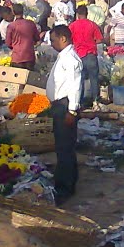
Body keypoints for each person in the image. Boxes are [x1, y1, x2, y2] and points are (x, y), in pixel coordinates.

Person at [46, 25, 82, 203]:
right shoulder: (64, 57)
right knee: (63, 146)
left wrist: (72, 110)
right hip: (60, 105)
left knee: (65, 147)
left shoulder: (71, 59)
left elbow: (75, 86)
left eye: (53, 40)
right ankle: (66, 181)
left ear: (63, 39)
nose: (51, 43)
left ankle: (65, 187)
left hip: (66, 106)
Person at [70, 5, 104, 109]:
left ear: (77, 14)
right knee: (94, 79)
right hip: (91, 55)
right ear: (87, 13)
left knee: (79, 80)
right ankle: (95, 102)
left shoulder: (72, 26)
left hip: (78, 56)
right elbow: (100, 39)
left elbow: (69, 40)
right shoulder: (92, 25)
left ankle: (79, 102)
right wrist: (91, 42)